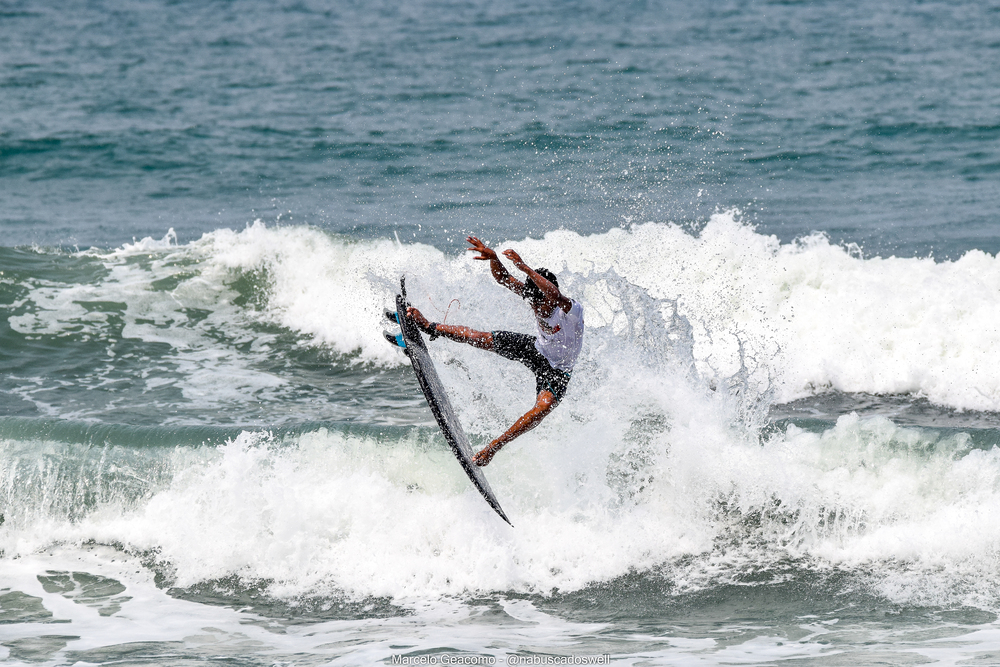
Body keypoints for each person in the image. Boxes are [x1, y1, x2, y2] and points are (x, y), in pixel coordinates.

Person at [406, 236, 584, 467]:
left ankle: (493, 448)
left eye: (541, 304)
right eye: (534, 303)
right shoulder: (534, 297)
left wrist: (525, 268)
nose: (537, 308)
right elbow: (504, 279)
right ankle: (430, 326)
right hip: (537, 349)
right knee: (480, 337)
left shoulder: (570, 310)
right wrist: (494, 259)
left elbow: (555, 295)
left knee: (541, 408)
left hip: (558, 370)